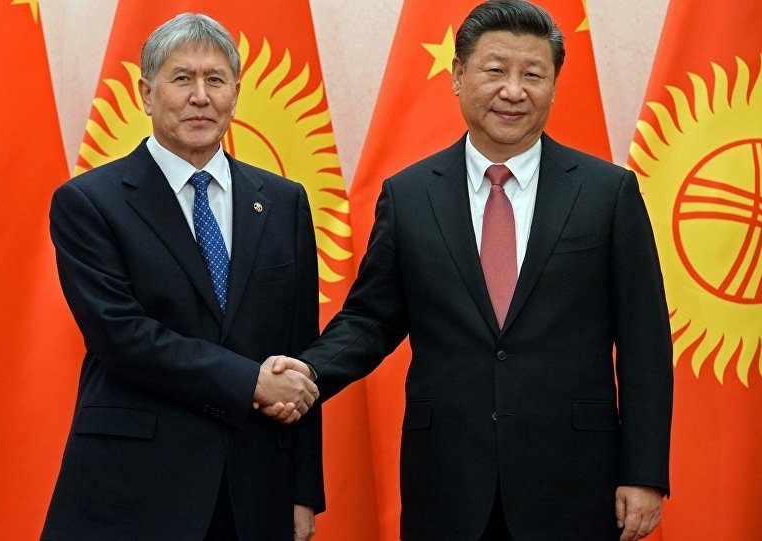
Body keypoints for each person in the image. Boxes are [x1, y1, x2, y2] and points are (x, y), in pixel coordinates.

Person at [266, 1, 672, 540]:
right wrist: (307, 373)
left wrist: (644, 473)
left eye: (533, 75)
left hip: (574, 480)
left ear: (554, 85)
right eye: (495, 70)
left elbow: (645, 342)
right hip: (448, 480)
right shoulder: (409, 196)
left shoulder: (607, 193)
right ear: (458, 75)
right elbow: (371, 320)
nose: (514, 90)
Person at [41, 13, 324, 541]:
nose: (200, 96)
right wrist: (250, 381)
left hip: (254, 486)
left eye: (215, 79)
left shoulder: (284, 202)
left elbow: (299, 352)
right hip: (134, 488)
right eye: (182, 78)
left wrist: (302, 491)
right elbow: (121, 336)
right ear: (146, 94)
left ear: (235, 93)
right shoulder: (89, 203)